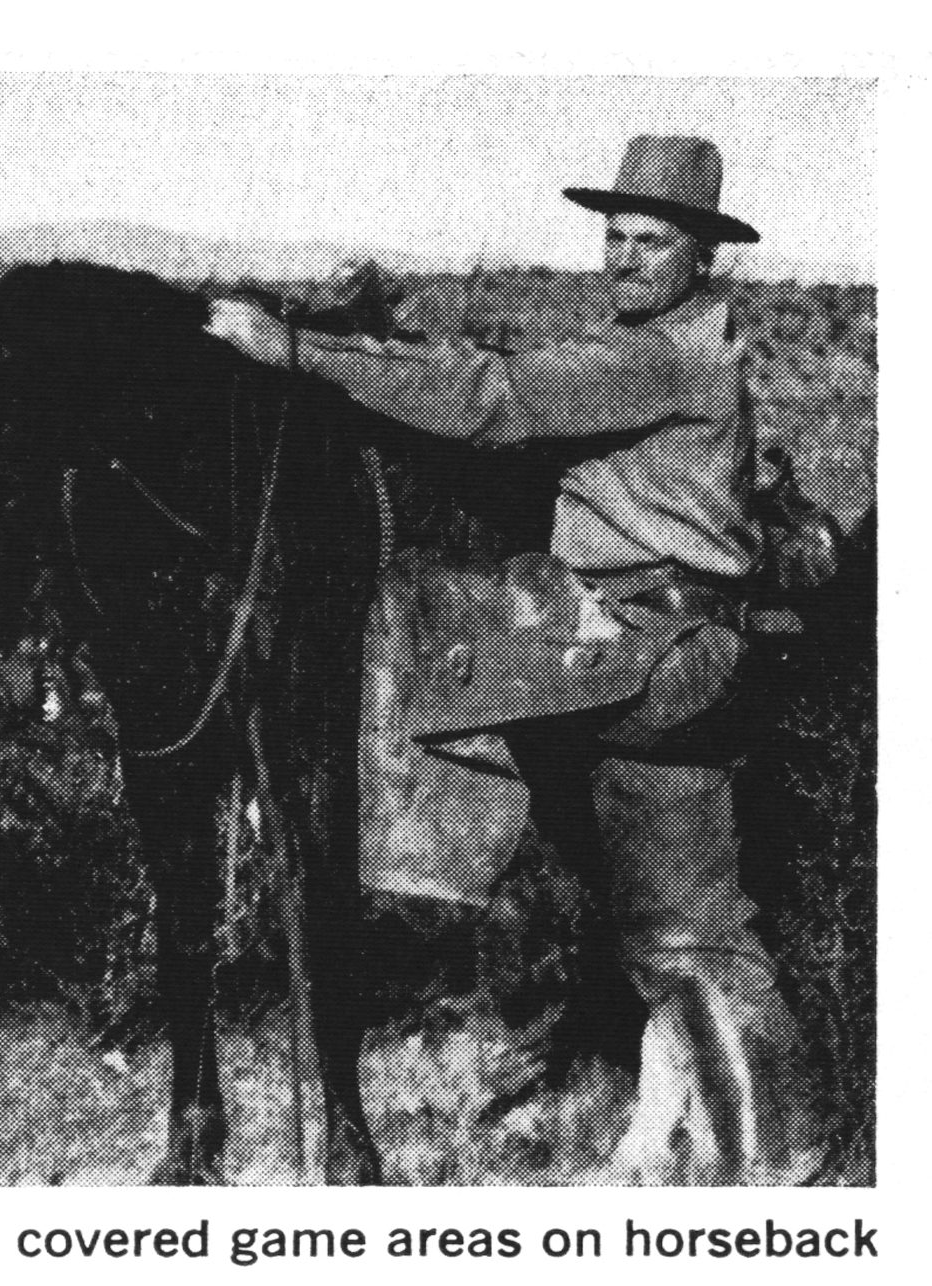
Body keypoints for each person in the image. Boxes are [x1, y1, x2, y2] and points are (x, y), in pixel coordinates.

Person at [206, 135, 821, 1184]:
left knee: (681, 925)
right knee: (671, 919)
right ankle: (749, 1147)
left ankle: (780, 1178)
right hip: (663, 645)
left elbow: (496, 397)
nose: (625, 259)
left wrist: (299, 351)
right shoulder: (692, 345)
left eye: (652, 242)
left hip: (656, 654)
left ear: (701, 256)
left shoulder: (659, 354)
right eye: (615, 238)